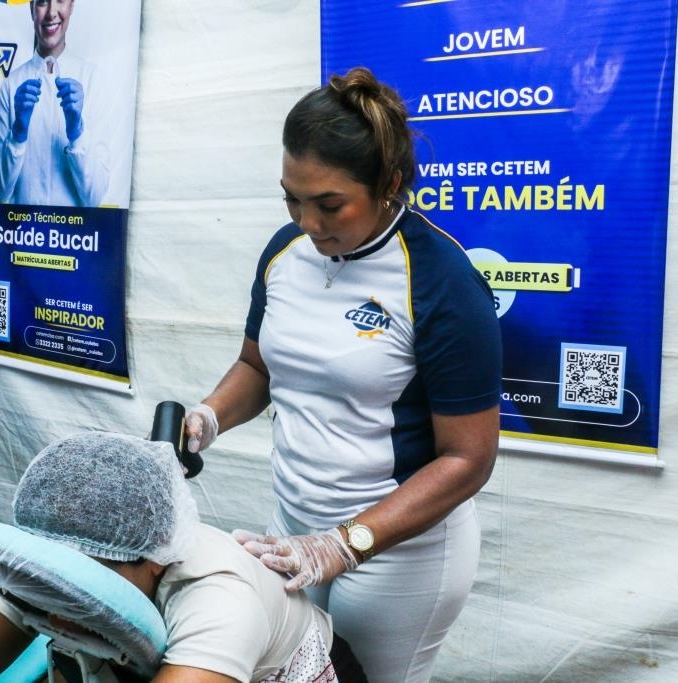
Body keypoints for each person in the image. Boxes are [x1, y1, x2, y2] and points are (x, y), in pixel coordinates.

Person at [183, 67, 503, 682]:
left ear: (390, 185)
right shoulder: (286, 252)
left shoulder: (441, 281)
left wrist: (342, 544)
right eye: (291, 198)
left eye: (329, 204)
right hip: (293, 529)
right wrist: (209, 416)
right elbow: (256, 365)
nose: (307, 222)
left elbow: (469, 459)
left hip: (398, 552)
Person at [0, 431, 367, 683]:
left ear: (156, 558)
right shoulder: (53, 564)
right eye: (55, 578)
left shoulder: (221, 602)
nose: (61, 608)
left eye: (91, 585)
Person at [0, 0, 110, 207]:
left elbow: (95, 197)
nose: (51, 12)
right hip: (23, 227)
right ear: (31, 8)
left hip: (73, 229)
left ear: (71, 6)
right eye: (43, 2)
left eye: (60, 0)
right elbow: (0, 192)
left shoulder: (91, 79)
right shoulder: (11, 85)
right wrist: (18, 132)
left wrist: (76, 131)